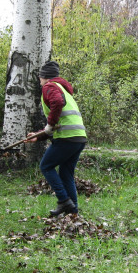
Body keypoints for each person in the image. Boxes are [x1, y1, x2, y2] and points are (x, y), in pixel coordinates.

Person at [26, 61, 88, 216]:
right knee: (66, 174)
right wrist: (38, 136)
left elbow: (57, 106)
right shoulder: (62, 89)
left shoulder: (49, 87)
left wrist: (49, 124)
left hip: (67, 137)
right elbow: (56, 124)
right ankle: (73, 212)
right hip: (78, 137)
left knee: (46, 166)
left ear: (44, 77)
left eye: (40, 77)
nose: (39, 80)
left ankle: (64, 201)